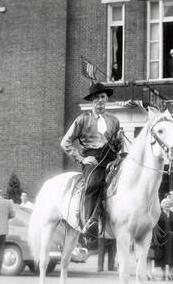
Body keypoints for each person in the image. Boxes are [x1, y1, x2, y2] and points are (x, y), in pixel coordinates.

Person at [60, 82, 123, 234]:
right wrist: (81, 159)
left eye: (103, 97)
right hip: (93, 159)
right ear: (92, 101)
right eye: (96, 98)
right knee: (94, 183)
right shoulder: (82, 119)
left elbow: (117, 144)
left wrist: (119, 141)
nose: (100, 100)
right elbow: (65, 142)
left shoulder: (114, 120)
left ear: (107, 99)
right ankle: (90, 222)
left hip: (112, 157)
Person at [154, 198, 173, 281]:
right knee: (162, 257)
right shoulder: (158, 215)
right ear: (162, 205)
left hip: (172, 240)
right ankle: (164, 274)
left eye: (169, 203)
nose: (167, 205)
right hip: (162, 239)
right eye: (165, 203)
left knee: (172, 257)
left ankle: (170, 274)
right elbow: (156, 228)